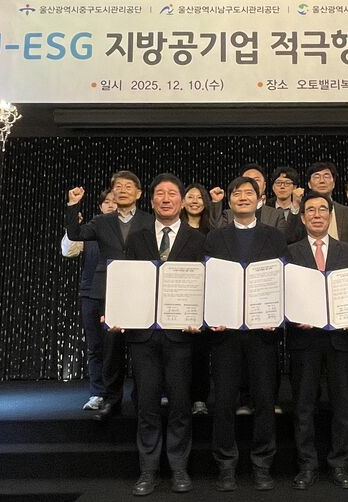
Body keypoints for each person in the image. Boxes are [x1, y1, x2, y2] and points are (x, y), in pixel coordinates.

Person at [122, 173, 206, 496]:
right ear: (152, 200)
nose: (166, 198)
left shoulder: (198, 239)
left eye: (172, 194)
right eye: (160, 193)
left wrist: (201, 317)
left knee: (181, 404)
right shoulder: (137, 238)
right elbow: (127, 282)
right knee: (147, 404)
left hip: (181, 335)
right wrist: (117, 313)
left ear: (182, 201)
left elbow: (205, 284)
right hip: (143, 335)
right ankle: (148, 471)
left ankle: (179, 468)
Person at [204, 176, 289, 492]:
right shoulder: (215, 237)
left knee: (265, 400)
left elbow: (282, 280)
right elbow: (208, 282)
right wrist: (210, 315)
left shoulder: (275, 237)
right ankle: (226, 465)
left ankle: (262, 464)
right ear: (229, 201)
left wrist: (276, 315)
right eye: (236, 193)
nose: (242, 197)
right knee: (224, 401)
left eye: (248, 193)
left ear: (260, 200)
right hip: (224, 334)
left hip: (262, 333)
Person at [65, 170, 155, 421]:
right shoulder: (101, 221)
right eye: (118, 186)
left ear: (139, 193)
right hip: (108, 291)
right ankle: (111, 400)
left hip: (141, 290)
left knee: (142, 348)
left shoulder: (150, 221)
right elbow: (75, 234)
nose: (122, 190)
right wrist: (73, 205)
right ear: (113, 193)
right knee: (111, 349)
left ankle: (142, 400)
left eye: (128, 186)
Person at [287, 192, 348, 490]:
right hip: (304, 338)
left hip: (341, 338)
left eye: (322, 210)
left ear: (330, 216)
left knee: (342, 404)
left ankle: (340, 464)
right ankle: (307, 465)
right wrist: (294, 315)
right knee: (303, 406)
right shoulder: (289, 253)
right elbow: (283, 294)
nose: (317, 215)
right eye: (310, 210)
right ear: (302, 217)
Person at [61, 189, 117, 410]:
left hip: (119, 295)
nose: (111, 205)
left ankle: (116, 393)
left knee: (117, 347)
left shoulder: (126, 232)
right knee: (95, 346)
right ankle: (97, 393)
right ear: (100, 207)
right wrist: (72, 225)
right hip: (90, 293)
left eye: (115, 202)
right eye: (107, 202)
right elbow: (68, 251)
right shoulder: (92, 230)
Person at [179, 182, 212, 415]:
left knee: (200, 351)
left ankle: (199, 398)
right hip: (179, 296)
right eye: (190, 197)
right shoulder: (174, 230)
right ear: (182, 202)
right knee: (178, 351)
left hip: (205, 298)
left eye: (199, 197)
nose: (195, 201)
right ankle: (176, 395)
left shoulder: (213, 232)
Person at [286, 161, 348, 244]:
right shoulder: (300, 210)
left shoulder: (347, 212)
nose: (322, 181)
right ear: (309, 184)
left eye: (326, 176)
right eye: (317, 177)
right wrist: (295, 204)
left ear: (333, 183)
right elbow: (290, 237)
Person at [210, 163, 287, 232]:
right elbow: (217, 232)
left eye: (256, 180)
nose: (252, 184)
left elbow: (279, 240)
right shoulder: (228, 214)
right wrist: (216, 202)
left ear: (264, 185)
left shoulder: (276, 215)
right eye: (247, 180)